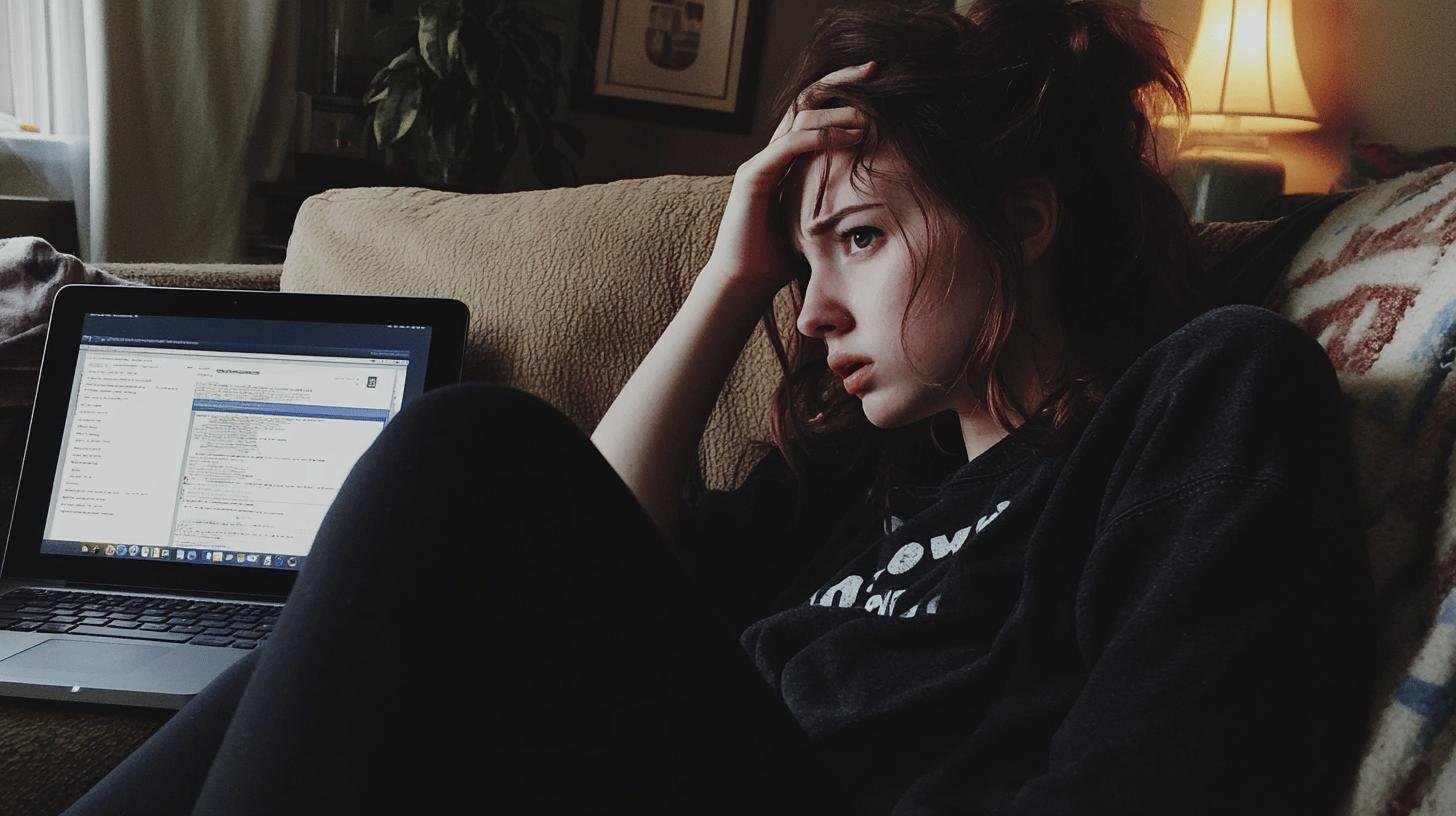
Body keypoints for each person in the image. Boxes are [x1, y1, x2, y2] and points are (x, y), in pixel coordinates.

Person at [62, 1, 1375, 814]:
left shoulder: (1196, 405)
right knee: (319, 648)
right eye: (802, 272)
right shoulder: (851, 494)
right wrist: (732, 272)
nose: (811, 315)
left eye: (860, 240)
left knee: (470, 446)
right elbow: (580, 556)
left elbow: (1163, 771)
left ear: (1027, 221)